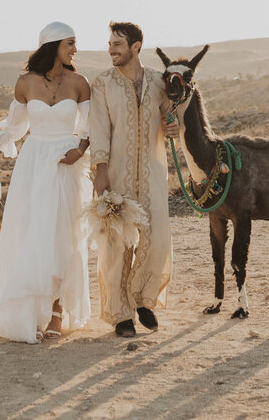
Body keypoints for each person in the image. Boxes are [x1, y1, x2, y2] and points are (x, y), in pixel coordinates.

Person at [0, 22, 92, 343]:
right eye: (70, 43)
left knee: (63, 235)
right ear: (53, 45)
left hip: (65, 165)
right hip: (33, 163)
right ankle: (34, 311)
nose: (75, 49)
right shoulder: (25, 83)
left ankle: (58, 311)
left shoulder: (80, 82)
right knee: (33, 235)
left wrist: (80, 149)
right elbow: (14, 129)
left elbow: (91, 126)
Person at [89, 21, 180, 338]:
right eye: (109, 44)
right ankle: (120, 314)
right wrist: (100, 169)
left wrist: (172, 127)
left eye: (117, 44)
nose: (111, 50)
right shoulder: (103, 84)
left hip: (154, 174)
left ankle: (143, 301)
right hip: (116, 175)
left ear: (136, 47)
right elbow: (99, 127)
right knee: (115, 244)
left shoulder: (158, 82)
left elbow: (172, 117)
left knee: (156, 239)